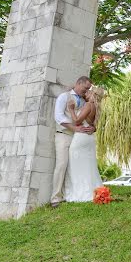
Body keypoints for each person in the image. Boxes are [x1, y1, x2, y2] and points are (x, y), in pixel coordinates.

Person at [50, 76, 94, 207]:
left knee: (74, 167)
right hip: (64, 135)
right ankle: (55, 198)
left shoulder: (86, 101)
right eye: (85, 88)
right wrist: (74, 128)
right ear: (78, 83)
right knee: (62, 165)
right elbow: (58, 116)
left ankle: (72, 194)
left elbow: (89, 119)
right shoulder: (64, 96)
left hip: (78, 139)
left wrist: (93, 127)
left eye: (88, 89)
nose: (86, 91)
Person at [64, 86, 105, 202]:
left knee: (75, 164)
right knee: (88, 165)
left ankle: (80, 193)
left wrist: (71, 109)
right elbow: (93, 125)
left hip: (81, 136)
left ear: (94, 95)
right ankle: (93, 191)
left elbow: (77, 121)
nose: (87, 92)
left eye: (90, 91)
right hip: (89, 137)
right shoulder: (97, 107)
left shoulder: (88, 105)